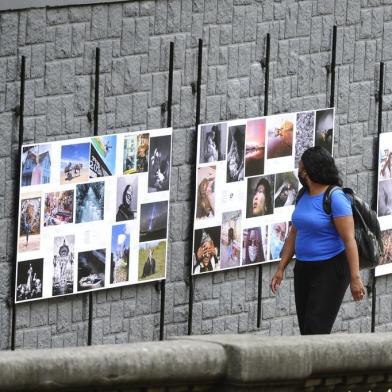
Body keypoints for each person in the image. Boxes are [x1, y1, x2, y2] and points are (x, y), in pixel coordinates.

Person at [270, 146, 366, 335]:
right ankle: (313, 365)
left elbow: (349, 240)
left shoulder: (335, 198)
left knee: (316, 330)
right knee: (307, 330)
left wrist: (355, 279)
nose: (299, 171)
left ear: (310, 170)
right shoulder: (302, 195)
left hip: (331, 269)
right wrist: (281, 268)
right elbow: (294, 232)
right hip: (304, 268)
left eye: (301, 167)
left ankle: (320, 365)